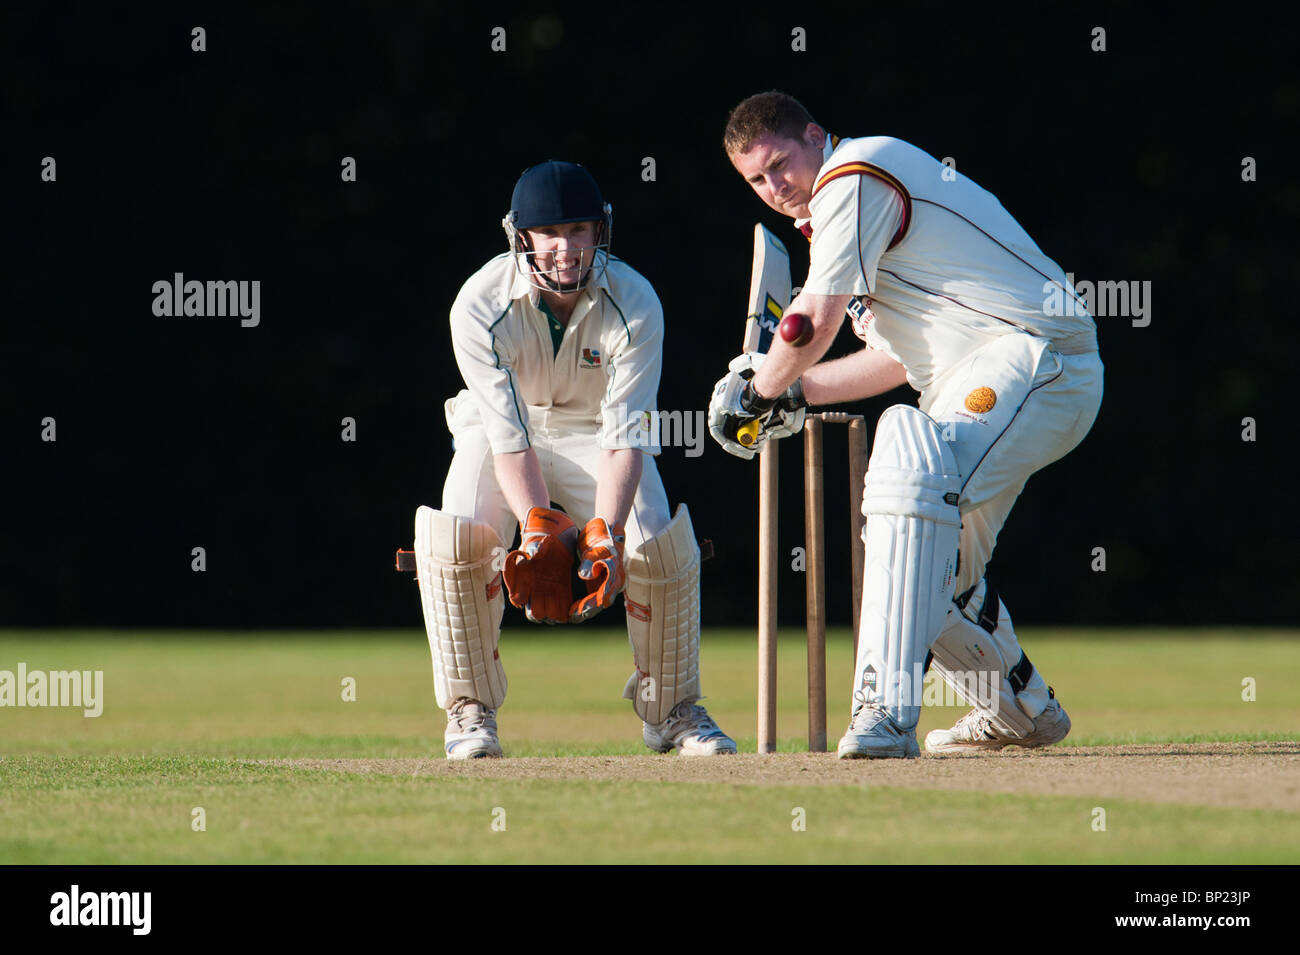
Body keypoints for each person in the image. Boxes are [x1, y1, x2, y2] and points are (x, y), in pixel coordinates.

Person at [708, 91, 1103, 758]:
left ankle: (885, 714)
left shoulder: (854, 175)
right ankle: (1021, 709)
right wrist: (791, 394)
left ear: (813, 134)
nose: (774, 187)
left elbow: (811, 321)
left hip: (1037, 355)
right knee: (933, 568)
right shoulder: (842, 223)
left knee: (903, 467)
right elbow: (892, 356)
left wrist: (755, 390)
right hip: (973, 378)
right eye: (756, 179)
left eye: (779, 164)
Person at [412, 160, 736, 759]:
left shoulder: (635, 301)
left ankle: (670, 710)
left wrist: (605, 536)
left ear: (599, 232)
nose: (566, 248)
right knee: (457, 536)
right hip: (509, 427)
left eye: (580, 231)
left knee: (657, 543)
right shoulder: (478, 306)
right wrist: (538, 531)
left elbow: (626, 435)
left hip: (598, 432)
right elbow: (508, 435)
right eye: (551, 233)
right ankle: (470, 710)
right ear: (522, 237)